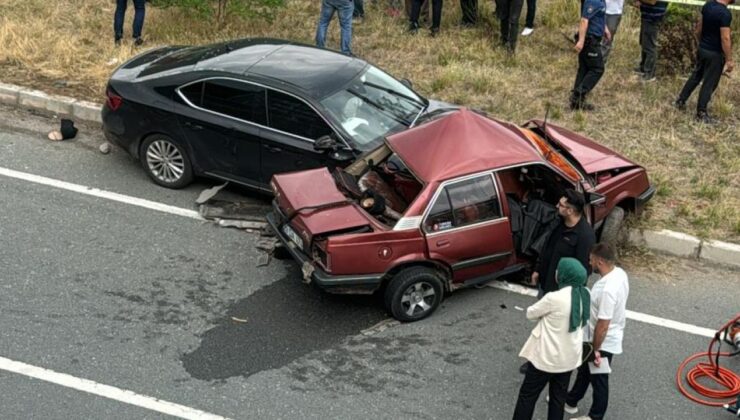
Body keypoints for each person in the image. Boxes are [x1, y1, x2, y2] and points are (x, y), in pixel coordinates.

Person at [512, 258, 590, 420]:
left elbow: (530, 313)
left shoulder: (554, 298)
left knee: (528, 396)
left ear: (563, 275)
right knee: (557, 399)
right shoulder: (585, 294)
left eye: (558, 270)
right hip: (568, 359)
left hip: (546, 358)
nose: (556, 272)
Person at [566, 243, 630, 420]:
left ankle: (595, 416)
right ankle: (571, 400)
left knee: (599, 379)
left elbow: (603, 323)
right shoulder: (620, 274)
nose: (589, 261)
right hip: (598, 336)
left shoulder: (607, 290)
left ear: (600, 262)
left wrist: (595, 349)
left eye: (591, 259)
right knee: (585, 370)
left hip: (602, 340)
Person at [674, 0, 735, 123]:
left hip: (703, 49)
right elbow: (725, 38)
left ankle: (680, 100)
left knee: (696, 75)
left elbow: (698, 29)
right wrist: (729, 59)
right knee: (709, 83)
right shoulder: (725, 14)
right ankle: (701, 113)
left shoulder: (708, 5)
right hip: (715, 54)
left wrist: (701, 44)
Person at [532, 190, 596, 295]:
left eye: (561, 205)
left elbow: (583, 270)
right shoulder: (557, 222)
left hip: (561, 292)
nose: (557, 206)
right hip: (544, 283)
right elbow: (546, 248)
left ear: (570, 211)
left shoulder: (585, 236)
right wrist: (537, 269)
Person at [569, 0, 609, 110]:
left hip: (594, 38)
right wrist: (581, 41)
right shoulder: (593, 0)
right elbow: (584, 20)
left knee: (584, 68)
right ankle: (578, 94)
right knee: (597, 69)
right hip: (589, 40)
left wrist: (604, 29)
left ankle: (576, 102)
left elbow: (598, 15)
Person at [634, 0, 668, 82]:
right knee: (644, 43)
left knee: (650, 46)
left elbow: (652, 1)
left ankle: (649, 73)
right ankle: (643, 67)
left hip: (652, 18)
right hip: (647, 16)